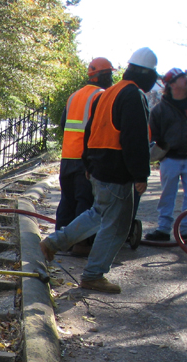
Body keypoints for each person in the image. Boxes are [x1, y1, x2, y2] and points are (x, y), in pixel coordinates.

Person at [40, 47, 157, 293]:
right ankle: (93, 274)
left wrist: (88, 162)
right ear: (146, 73)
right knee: (116, 226)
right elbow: (134, 138)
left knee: (98, 213)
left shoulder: (109, 93)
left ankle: (53, 242)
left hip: (98, 166)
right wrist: (140, 174)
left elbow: (89, 130)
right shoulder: (133, 95)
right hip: (117, 169)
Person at [56, 57, 115, 257]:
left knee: (67, 199)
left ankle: (59, 241)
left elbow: (64, 125)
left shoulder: (74, 96)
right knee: (84, 200)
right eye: (111, 74)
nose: (112, 78)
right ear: (104, 75)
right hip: (85, 157)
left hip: (67, 157)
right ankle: (80, 243)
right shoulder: (102, 96)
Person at [146, 67, 187, 243]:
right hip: (170, 158)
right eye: (181, 77)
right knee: (167, 195)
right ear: (171, 84)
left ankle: (185, 231)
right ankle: (163, 230)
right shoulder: (159, 110)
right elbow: (151, 135)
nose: (185, 79)